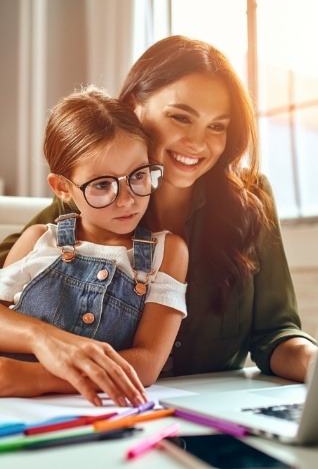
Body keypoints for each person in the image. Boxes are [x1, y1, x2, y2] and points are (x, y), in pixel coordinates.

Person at [0, 35, 316, 385]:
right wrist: (44, 343)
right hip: (107, 410)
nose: (198, 144)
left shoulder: (252, 197)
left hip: (218, 414)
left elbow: (276, 335)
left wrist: (312, 360)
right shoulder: (88, 203)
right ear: (134, 105)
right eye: (181, 117)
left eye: (217, 126)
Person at [0, 85, 188, 406]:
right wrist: (37, 341)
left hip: (92, 408)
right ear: (62, 187)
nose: (128, 200)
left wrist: (32, 379)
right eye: (102, 185)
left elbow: (148, 361)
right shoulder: (37, 241)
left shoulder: (166, 252)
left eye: (138, 175)